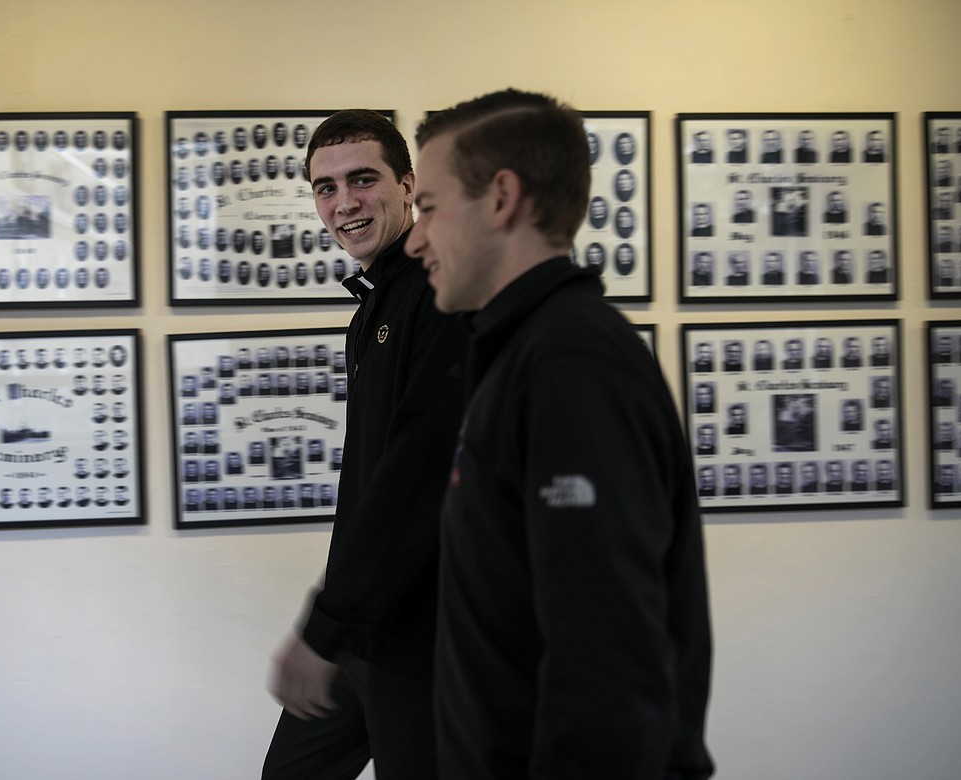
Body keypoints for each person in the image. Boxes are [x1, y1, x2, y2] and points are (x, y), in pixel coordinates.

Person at [405, 88, 712, 779]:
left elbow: (605, 653)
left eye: (427, 208)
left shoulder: (571, 363)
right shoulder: (524, 352)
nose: (416, 238)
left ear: (502, 197)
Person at [262, 109, 468, 780]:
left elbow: (415, 478)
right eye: (325, 187)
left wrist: (323, 624)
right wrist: (337, 621)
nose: (344, 202)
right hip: (359, 625)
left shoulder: (438, 297)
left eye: (362, 179)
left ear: (407, 183)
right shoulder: (374, 305)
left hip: (421, 639)